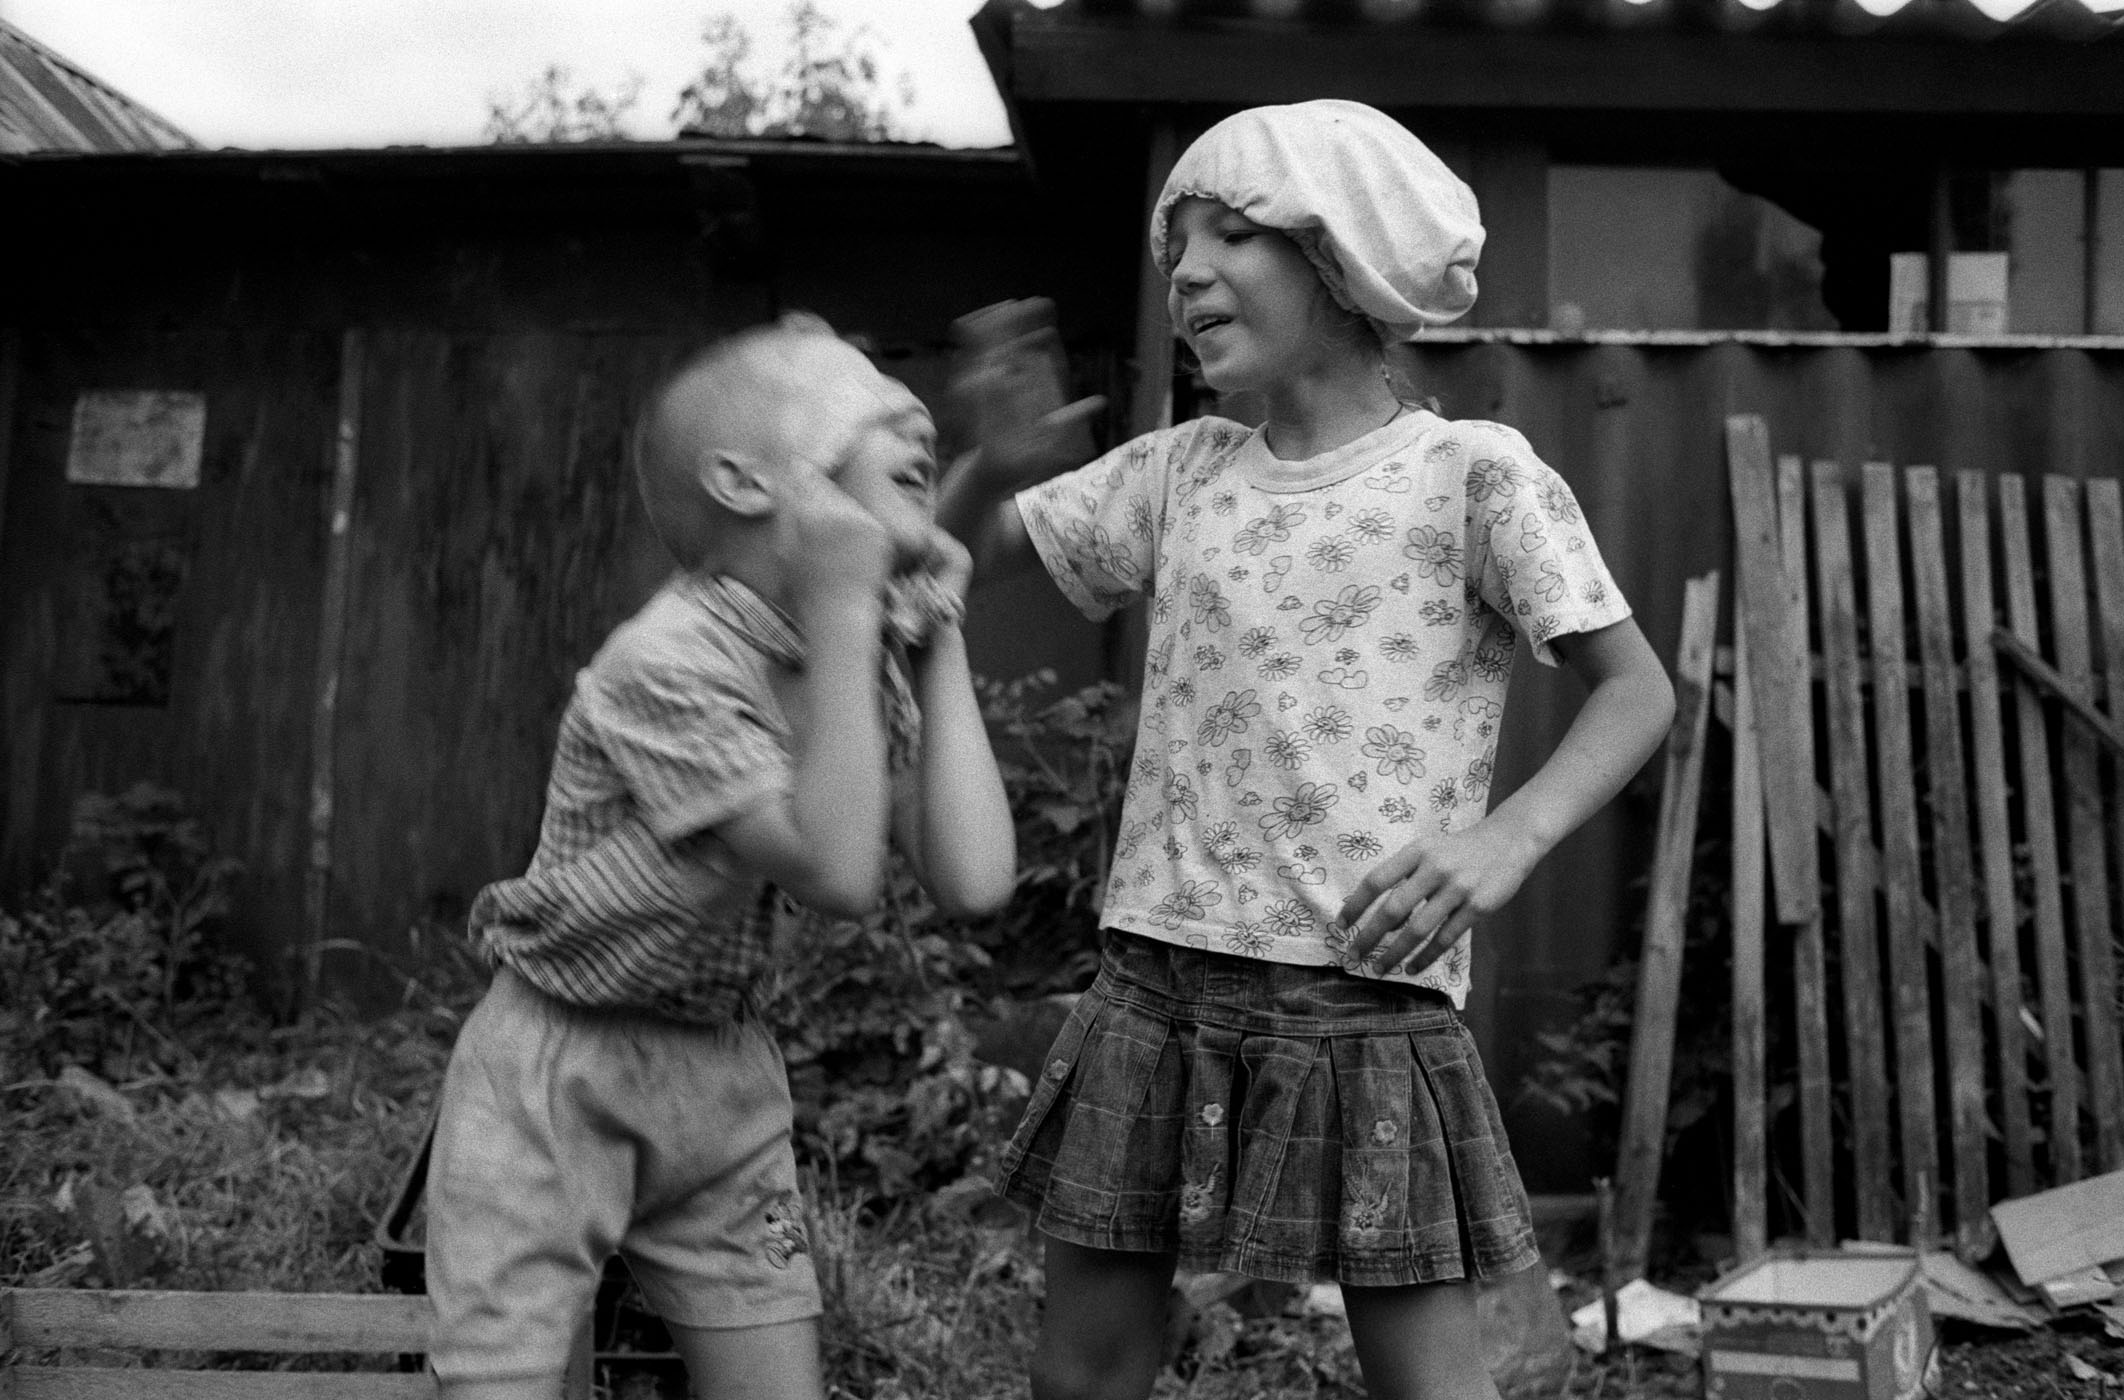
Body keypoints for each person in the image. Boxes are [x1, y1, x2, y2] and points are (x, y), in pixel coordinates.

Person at [940, 101, 1676, 1400]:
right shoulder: (1178, 472)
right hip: (1151, 982)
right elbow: (946, 562)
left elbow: (1635, 691)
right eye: (1177, 242)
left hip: (1358, 995)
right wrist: (984, 471)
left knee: (1427, 1384)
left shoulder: (1468, 474)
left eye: (1233, 233)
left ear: (1344, 257)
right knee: (1078, 1375)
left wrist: (1506, 837)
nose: (1187, 271)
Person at [425, 314, 1016, 1400]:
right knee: (501, 1379)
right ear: (744, 482)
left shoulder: (847, 653)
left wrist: (937, 637)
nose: (913, 415)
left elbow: (973, 879)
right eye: (865, 401)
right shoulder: (662, 661)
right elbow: (837, 875)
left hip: (724, 1067)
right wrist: (846, 608)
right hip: (559, 1069)